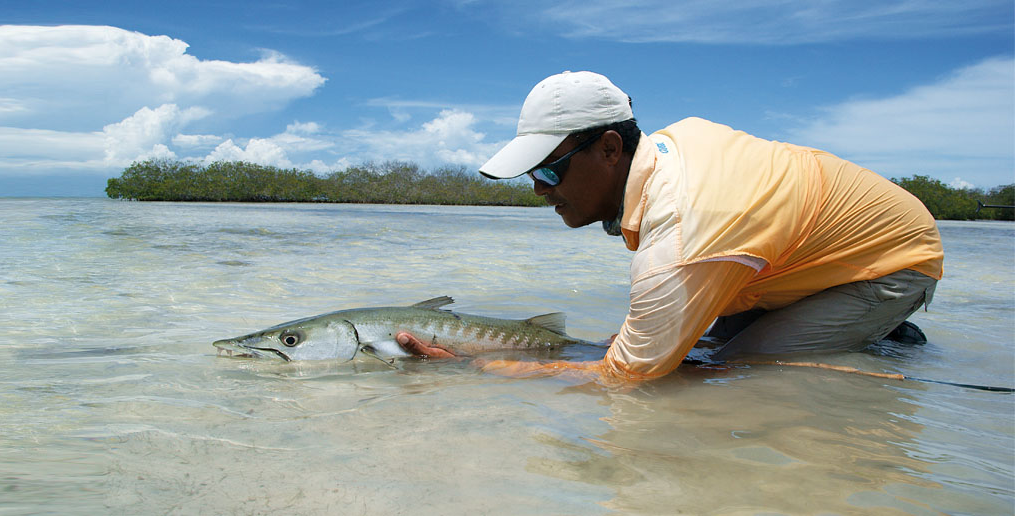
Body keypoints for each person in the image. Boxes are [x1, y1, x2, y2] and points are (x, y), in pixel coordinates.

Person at [397, 70, 943, 381]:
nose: (539, 189)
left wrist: (484, 368)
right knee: (696, 351)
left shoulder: (687, 219)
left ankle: (871, 331)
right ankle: (870, 334)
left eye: (548, 168)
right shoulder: (664, 157)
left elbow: (628, 378)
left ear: (611, 149)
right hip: (791, 261)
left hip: (891, 262)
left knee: (741, 369)